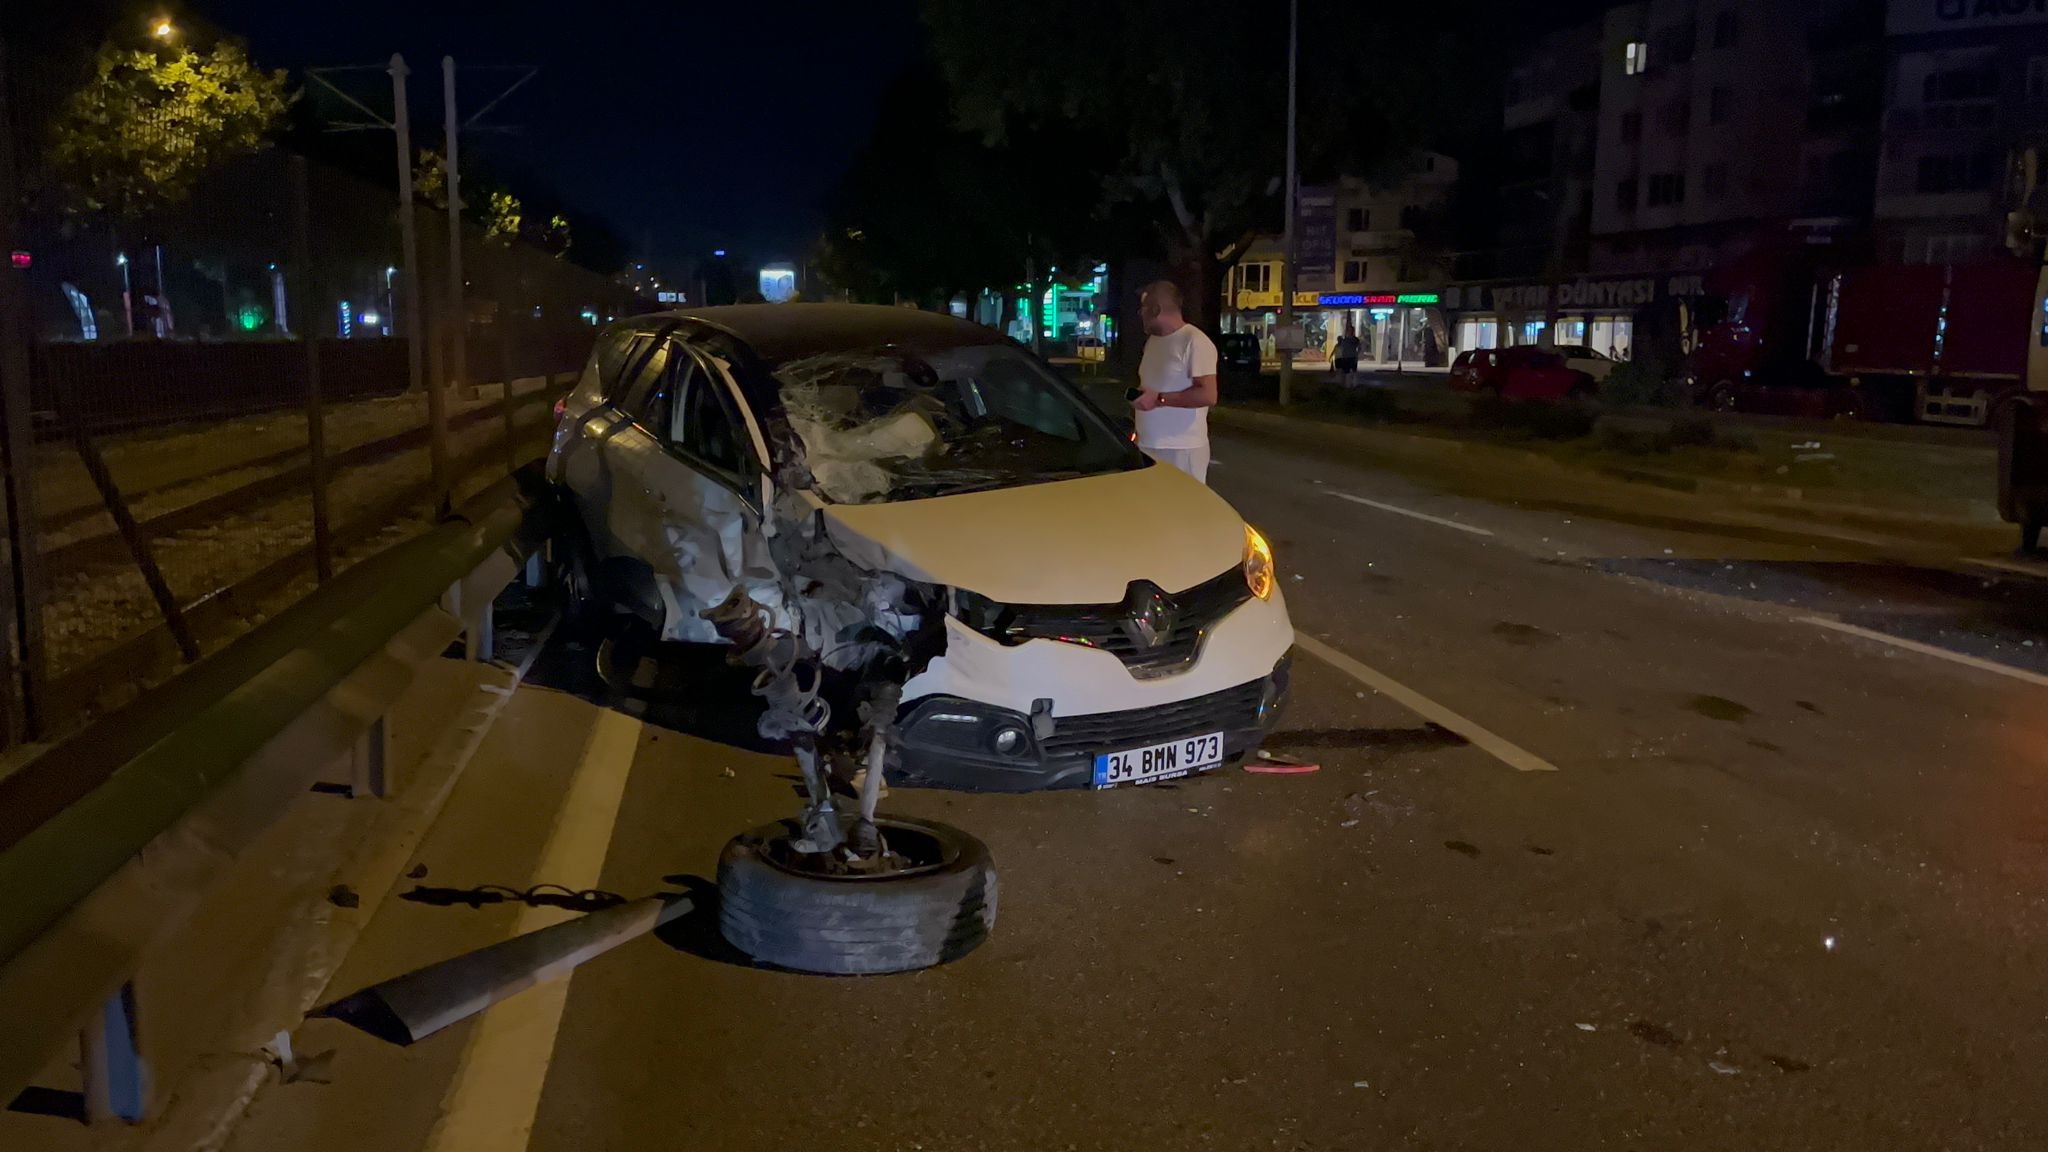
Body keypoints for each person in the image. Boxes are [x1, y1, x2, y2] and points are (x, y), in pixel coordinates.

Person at [1133, 280, 1219, 483]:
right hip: (1148, 444)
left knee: (1184, 511)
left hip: (1181, 449)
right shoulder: (1153, 342)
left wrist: (1159, 399)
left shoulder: (1195, 341)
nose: (1140, 314)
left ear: (1155, 310)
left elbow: (1208, 394)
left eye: (1143, 309)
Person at [1332, 321, 1362, 386]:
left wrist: (1357, 354)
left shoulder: (1355, 340)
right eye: (1348, 330)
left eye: (1350, 330)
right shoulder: (1345, 340)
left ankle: (1353, 384)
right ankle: (1347, 385)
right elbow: (1343, 349)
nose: (1349, 332)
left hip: (1352, 357)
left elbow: (1359, 347)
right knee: (1346, 372)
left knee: (1353, 372)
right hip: (1346, 357)